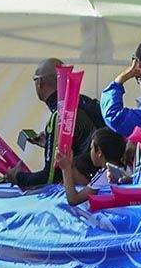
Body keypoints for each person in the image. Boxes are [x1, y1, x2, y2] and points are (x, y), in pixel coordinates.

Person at [6, 59, 97, 188]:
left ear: (40, 83)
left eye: (35, 79)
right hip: (101, 181)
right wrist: (50, 143)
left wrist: (18, 177)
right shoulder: (83, 101)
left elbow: (50, 177)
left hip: (85, 190)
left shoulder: (59, 115)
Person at [57, 128, 128, 206]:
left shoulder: (105, 175)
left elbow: (73, 200)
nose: (90, 152)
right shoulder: (126, 167)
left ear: (99, 153)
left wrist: (66, 169)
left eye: (91, 148)